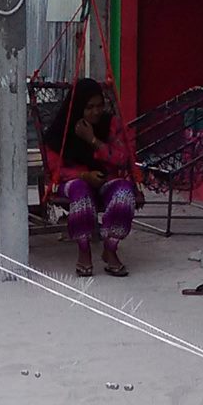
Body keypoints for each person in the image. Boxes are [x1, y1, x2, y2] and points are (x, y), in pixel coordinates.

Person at [44, 77, 142, 277]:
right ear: (79, 106)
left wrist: (94, 141)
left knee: (124, 192)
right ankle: (84, 250)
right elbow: (55, 170)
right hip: (72, 182)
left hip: (106, 180)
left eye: (99, 106)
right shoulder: (60, 130)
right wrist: (83, 175)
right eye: (89, 107)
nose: (96, 112)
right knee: (80, 190)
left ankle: (110, 248)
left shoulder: (110, 124)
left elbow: (123, 159)